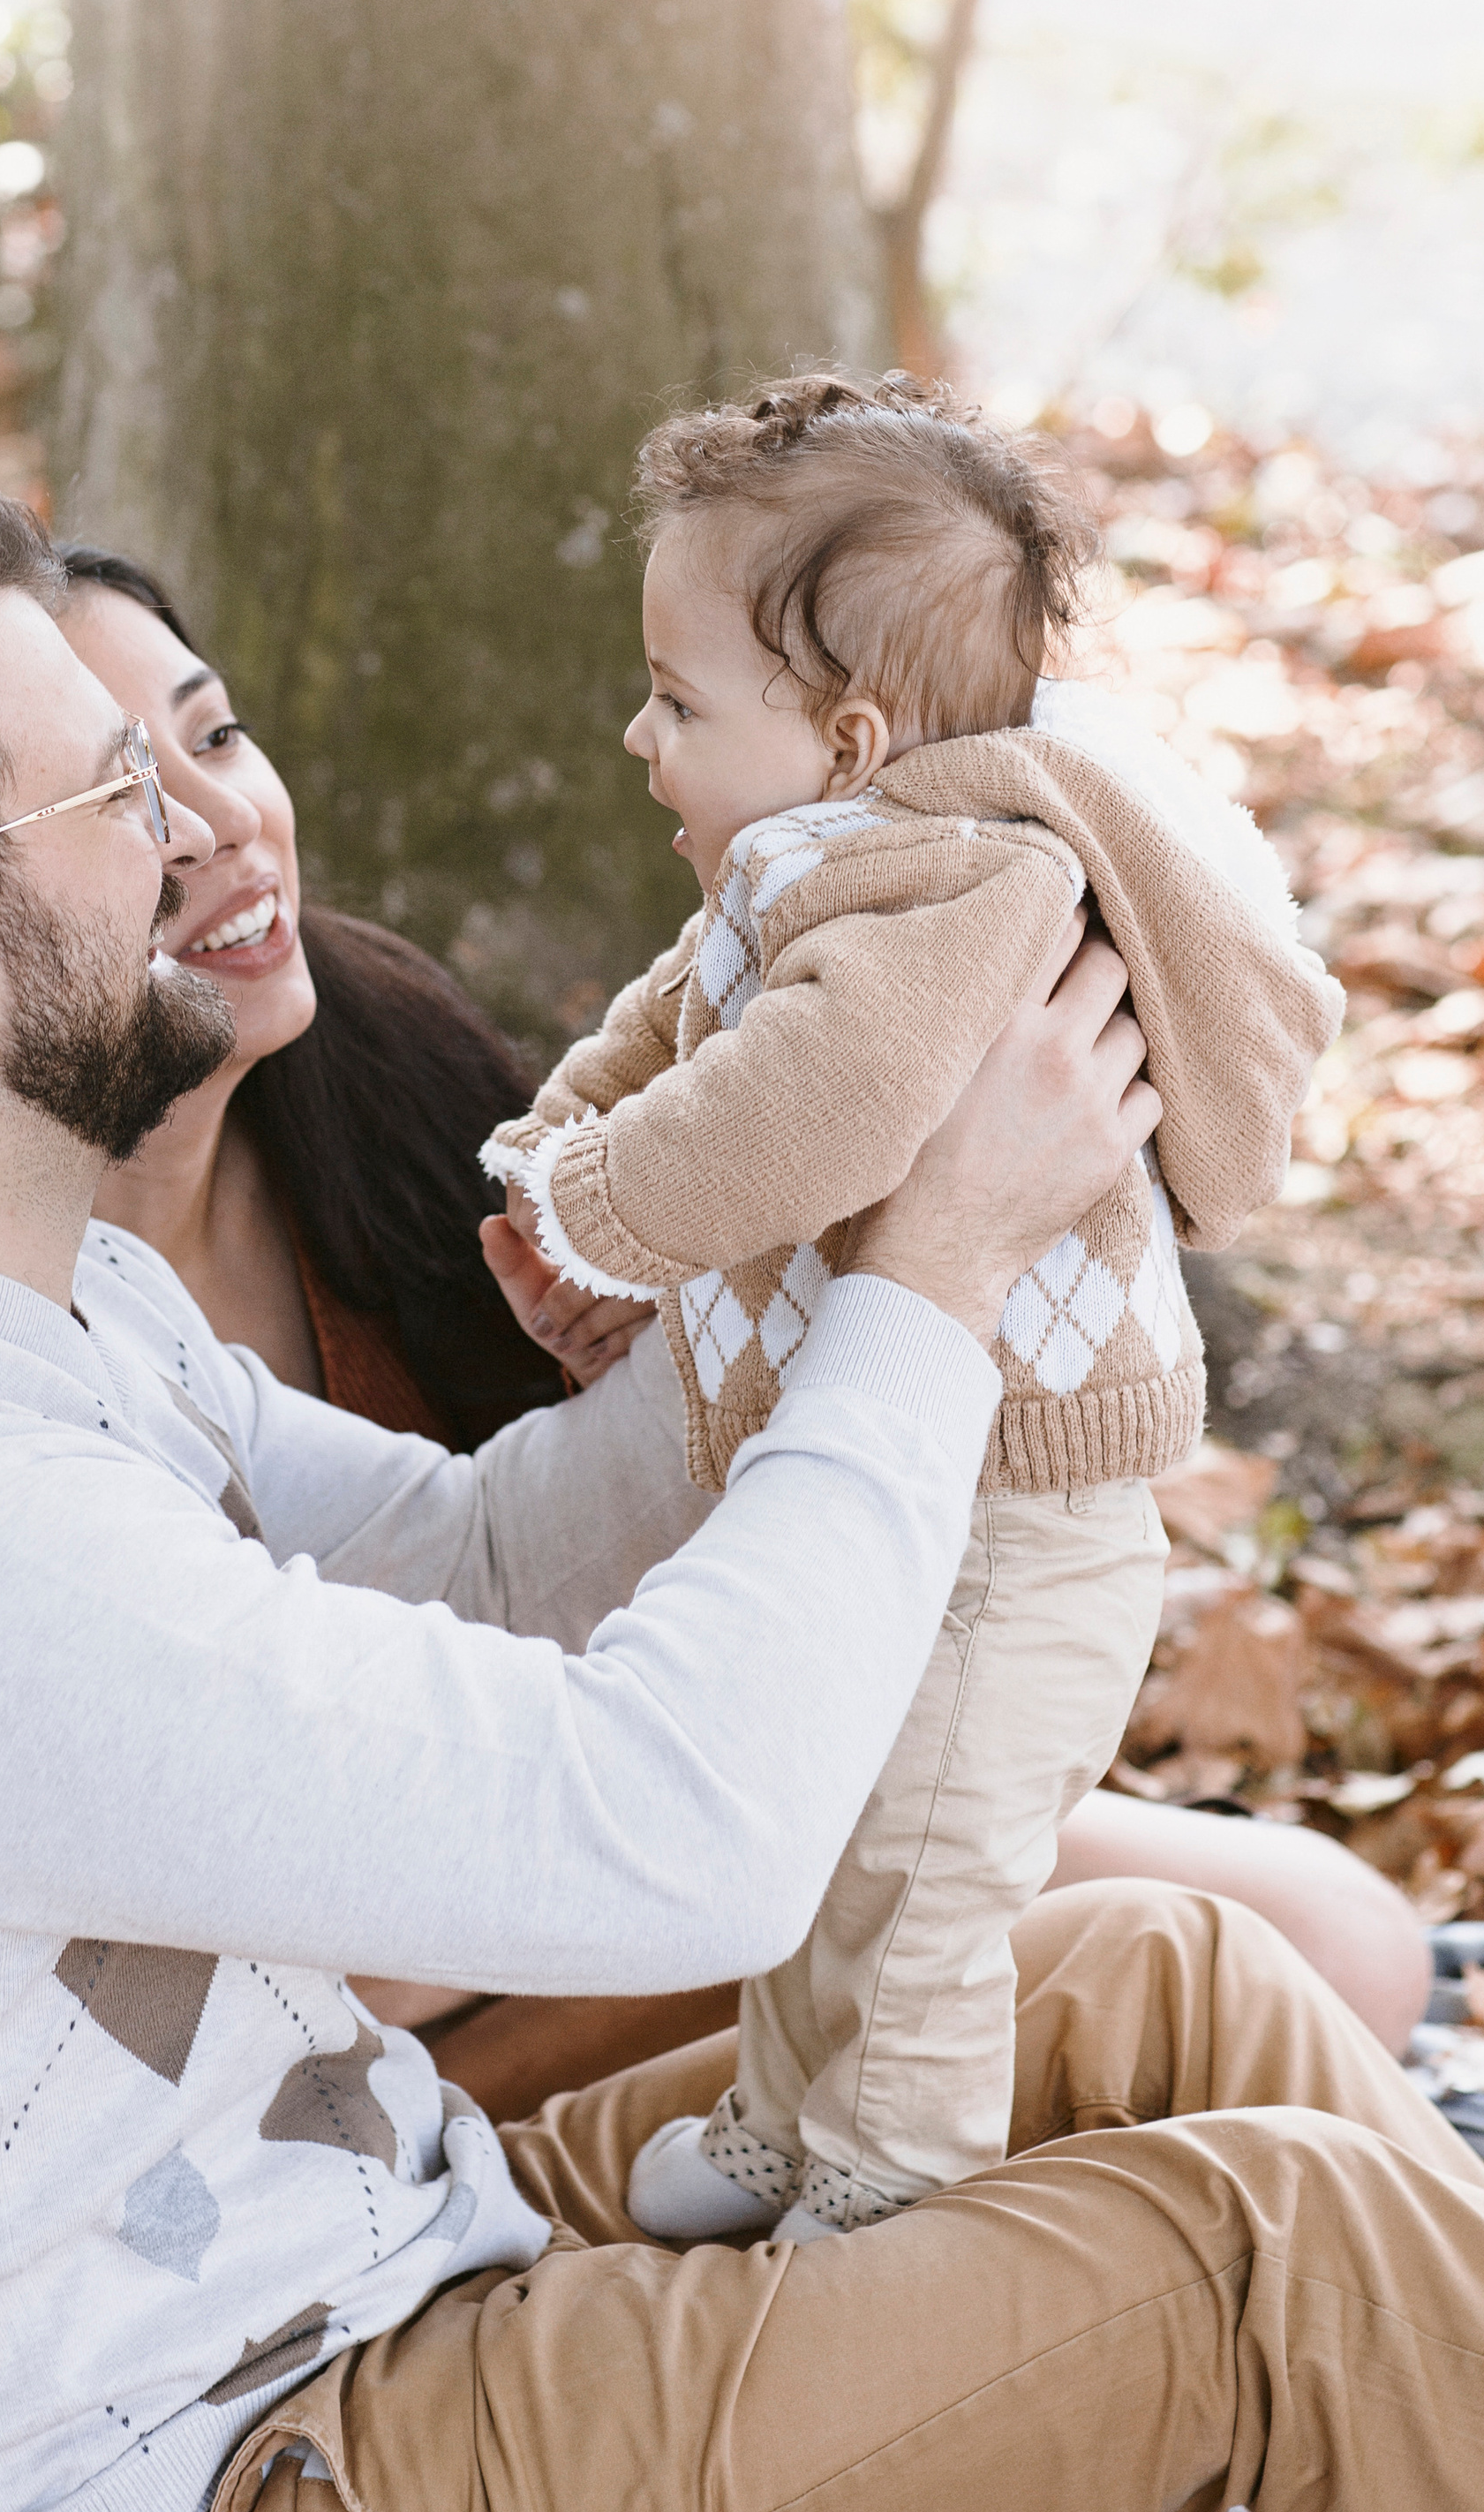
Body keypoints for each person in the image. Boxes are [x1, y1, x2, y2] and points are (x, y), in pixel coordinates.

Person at [0, 463, 1484, 2512]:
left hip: (344, 2286)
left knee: (1143, 1986)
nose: (194, 832)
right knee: (1254, 2269)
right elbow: (684, 1841)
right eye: (110, 793)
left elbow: (491, 1562)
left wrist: (812, 1234)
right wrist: (933, 1276)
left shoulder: (15, 1320)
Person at [0, 536, 1430, 2078]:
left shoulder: (379, 1104)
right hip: (411, 1977)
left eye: (212, 737)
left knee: (1306, 1946)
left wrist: (867, 1241)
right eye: (113, 783)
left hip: (588, 1822)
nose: (203, 826)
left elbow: (528, 1536)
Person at [485, 370, 1343, 2245]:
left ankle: (888, 2190)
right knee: (826, 1823)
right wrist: (560, 1133)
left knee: (922, 1871)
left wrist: (610, 1210)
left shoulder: (954, 885)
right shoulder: (814, 866)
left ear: (848, 732)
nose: (638, 737)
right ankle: (789, 2122)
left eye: (676, 702)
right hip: (919, 1491)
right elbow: (671, 1019)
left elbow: (812, 1104)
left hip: (1014, 1525)